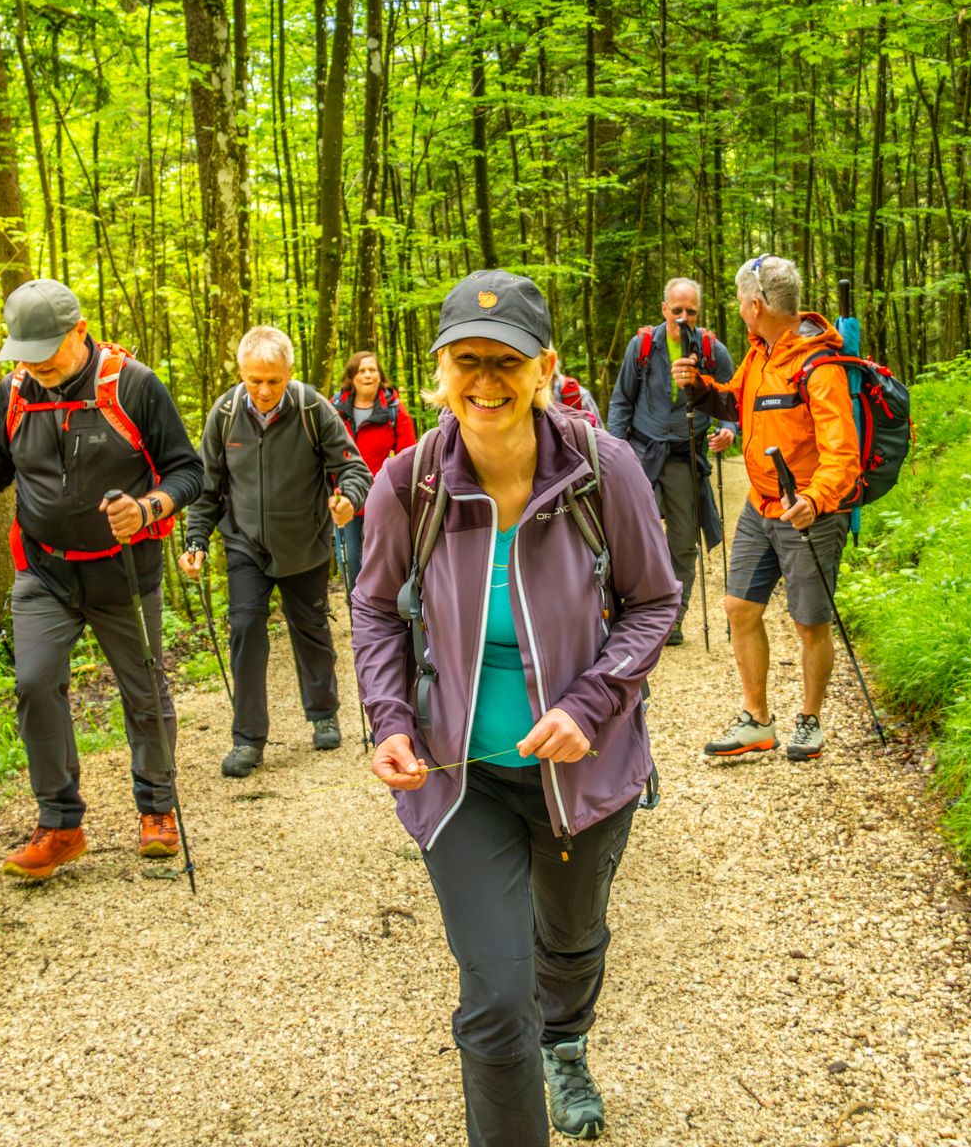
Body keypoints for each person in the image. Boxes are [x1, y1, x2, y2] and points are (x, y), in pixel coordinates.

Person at [351, 270, 680, 1146]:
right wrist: (388, 718)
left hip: (581, 774)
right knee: (497, 997)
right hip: (461, 782)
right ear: (440, 370)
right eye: (467, 361)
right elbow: (375, 605)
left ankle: (565, 1043)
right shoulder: (409, 482)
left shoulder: (600, 470)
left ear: (546, 369)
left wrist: (590, 703)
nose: (486, 381)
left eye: (507, 361)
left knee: (567, 944)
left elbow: (655, 602)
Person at [0, 278, 204, 879]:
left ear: (80, 330)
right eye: (25, 351)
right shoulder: (14, 391)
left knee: (144, 690)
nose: (36, 363)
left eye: (47, 349)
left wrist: (149, 508)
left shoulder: (134, 386)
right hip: (44, 570)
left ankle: (157, 809)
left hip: (123, 571)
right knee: (35, 684)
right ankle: (61, 824)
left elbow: (186, 471)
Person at [672, 255, 860, 763]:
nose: (738, 309)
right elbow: (738, 404)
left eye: (739, 301)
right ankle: (757, 721)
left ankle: (810, 719)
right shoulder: (761, 354)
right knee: (740, 608)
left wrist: (814, 500)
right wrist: (700, 388)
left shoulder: (818, 366)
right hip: (762, 506)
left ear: (755, 305)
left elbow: (844, 456)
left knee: (809, 623)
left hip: (810, 515)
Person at [179, 327, 373, 778]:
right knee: (245, 627)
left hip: (305, 542)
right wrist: (195, 542)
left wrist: (349, 501)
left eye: (273, 380)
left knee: (309, 628)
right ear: (242, 374)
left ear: (288, 373)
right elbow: (207, 488)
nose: (264, 391)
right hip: (245, 542)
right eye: (254, 381)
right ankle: (248, 739)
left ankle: (323, 711)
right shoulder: (225, 414)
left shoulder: (312, 409)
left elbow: (352, 468)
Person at [605, 277, 739, 644]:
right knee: (630, 537)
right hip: (641, 454)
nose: (683, 317)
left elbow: (733, 402)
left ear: (698, 313)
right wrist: (614, 455)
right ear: (664, 309)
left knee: (682, 542)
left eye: (690, 311)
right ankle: (629, 612)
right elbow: (621, 402)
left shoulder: (713, 352)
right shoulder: (643, 347)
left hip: (685, 457)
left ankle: (672, 619)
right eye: (676, 310)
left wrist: (728, 430)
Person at [330, 349, 416, 572]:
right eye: (361, 370)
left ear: (379, 375)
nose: (367, 375)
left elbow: (409, 456)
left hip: (381, 500)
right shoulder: (335, 408)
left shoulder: (394, 410)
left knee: (377, 562)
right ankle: (353, 606)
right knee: (350, 562)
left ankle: (375, 606)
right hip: (344, 497)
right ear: (352, 377)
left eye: (372, 370)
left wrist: (398, 492)